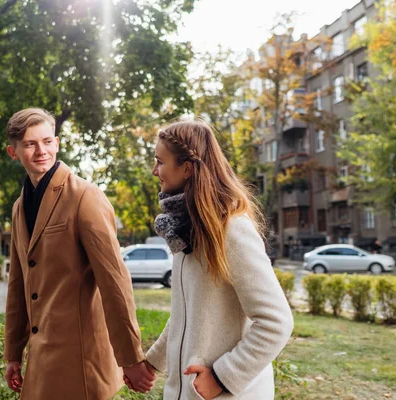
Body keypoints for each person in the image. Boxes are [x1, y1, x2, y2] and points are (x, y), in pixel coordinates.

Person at [125, 119, 293, 399]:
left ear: (187, 169)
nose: (155, 171)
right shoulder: (185, 230)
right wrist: (153, 362)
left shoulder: (231, 230)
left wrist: (222, 377)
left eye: (160, 162)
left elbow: (276, 322)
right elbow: (185, 314)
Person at [3, 108, 154, 399]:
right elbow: (18, 283)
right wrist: (13, 353)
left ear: (57, 144)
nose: (41, 151)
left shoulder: (85, 196)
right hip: (41, 360)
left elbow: (114, 281)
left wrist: (131, 357)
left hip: (81, 362)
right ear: (14, 151)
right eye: (31, 144)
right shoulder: (19, 207)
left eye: (47, 141)